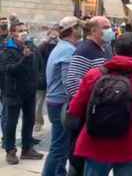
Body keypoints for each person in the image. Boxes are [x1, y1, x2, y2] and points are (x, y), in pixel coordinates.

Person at [67, 32, 132, 176]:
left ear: (114, 50)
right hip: (130, 144)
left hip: (96, 142)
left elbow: (75, 108)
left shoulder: (95, 75)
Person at [64, 16, 112, 176]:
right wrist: (90, 103)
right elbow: (71, 82)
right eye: (105, 27)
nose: (109, 30)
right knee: (78, 158)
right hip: (84, 114)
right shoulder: (85, 50)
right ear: (93, 31)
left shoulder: (104, 49)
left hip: (95, 114)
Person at [42, 17, 82, 176]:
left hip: (55, 101)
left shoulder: (62, 47)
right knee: (59, 147)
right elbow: (69, 83)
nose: (81, 29)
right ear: (72, 30)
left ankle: (59, 173)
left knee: (61, 145)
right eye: (78, 26)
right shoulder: (68, 50)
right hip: (60, 103)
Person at [0, 21, 44, 164]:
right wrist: (24, 58)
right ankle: (10, 150)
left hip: (29, 90)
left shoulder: (31, 46)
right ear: (13, 33)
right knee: (11, 122)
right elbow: (9, 69)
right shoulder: (7, 48)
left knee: (29, 120)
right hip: (13, 91)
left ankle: (27, 148)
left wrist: (38, 79)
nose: (24, 32)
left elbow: (38, 64)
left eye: (25, 30)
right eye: (20, 30)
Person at [35, 27, 58, 133]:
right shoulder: (43, 46)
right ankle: (38, 122)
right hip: (43, 78)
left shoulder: (60, 46)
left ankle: (55, 122)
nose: (53, 37)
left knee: (54, 102)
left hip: (55, 79)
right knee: (39, 103)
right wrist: (47, 41)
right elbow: (37, 52)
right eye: (51, 35)